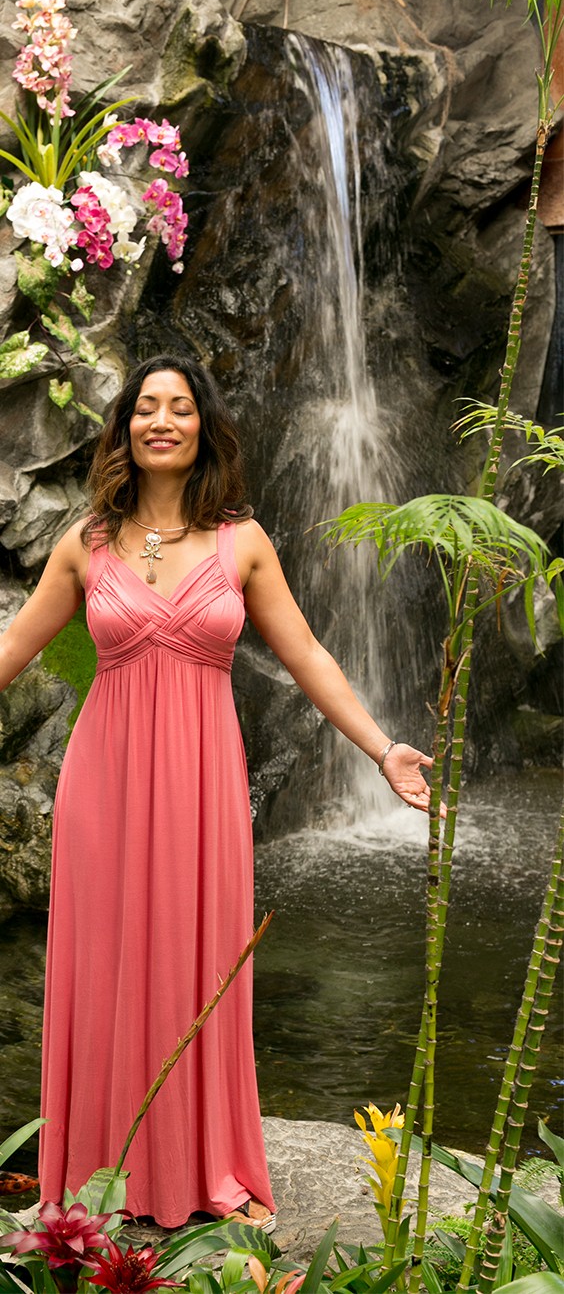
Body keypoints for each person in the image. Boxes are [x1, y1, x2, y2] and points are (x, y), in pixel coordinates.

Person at [0, 353, 436, 1232]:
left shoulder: (244, 541)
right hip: (105, 786)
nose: (163, 420)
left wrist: (382, 748)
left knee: (202, 962)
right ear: (124, 427)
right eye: (146, 408)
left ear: (205, 427)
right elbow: (7, 655)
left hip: (203, 785)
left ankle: (206, 1169)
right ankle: (95, 1178)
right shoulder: (83, 544)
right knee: (106, 967)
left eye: (181, 407)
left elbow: (307, 653)